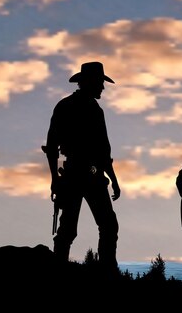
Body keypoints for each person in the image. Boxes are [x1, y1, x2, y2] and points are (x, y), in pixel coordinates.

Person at [42, 61, 121, 272]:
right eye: (100, 83)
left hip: (76, 175)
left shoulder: (68, 106)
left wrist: (55, 180)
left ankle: (64, 269)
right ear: (90, 82)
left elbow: (53, 147)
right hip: (85, 175)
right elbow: (103, 151)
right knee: (104, 226)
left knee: (72, 230)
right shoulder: (91, 111)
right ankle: (106, 272)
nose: (103, 87)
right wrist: (113, 179)